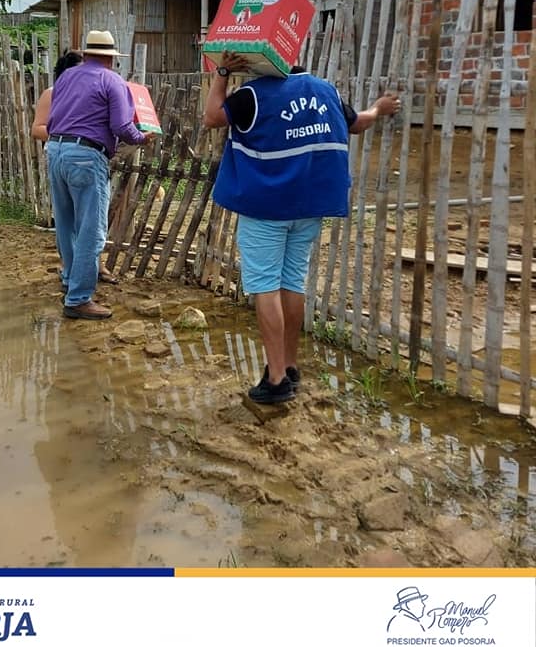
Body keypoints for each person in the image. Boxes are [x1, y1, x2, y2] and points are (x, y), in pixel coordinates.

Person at [203, 53, 401, 405]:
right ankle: (290, 366)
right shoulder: (326, 91)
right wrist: (379, 108)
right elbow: (357, 123)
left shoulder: (253, 95)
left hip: (266, 208)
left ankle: (276, 379)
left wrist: (222, 72)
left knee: (266, 286)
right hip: (309, 207)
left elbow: (211, 117)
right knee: (292, 283)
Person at [46, 29, 156, 320]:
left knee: (66, 223)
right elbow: (121, 126)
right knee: (91, 230)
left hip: (55, 149)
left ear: (86, 54)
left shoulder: (66, 77)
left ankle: (70, 279)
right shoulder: (112, 80)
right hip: (85, 154)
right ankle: (78, 298)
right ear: (111, 58)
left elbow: (56, 114)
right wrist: (141, 138)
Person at [31, 49, 120, 285]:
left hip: (82, 155)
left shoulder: (91, 91)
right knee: (78, 221)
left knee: (88, 219)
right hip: (72, 155)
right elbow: (37, 128)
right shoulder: (53, 93)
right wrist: (70, 135)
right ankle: (76, 284)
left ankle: (89, 270)